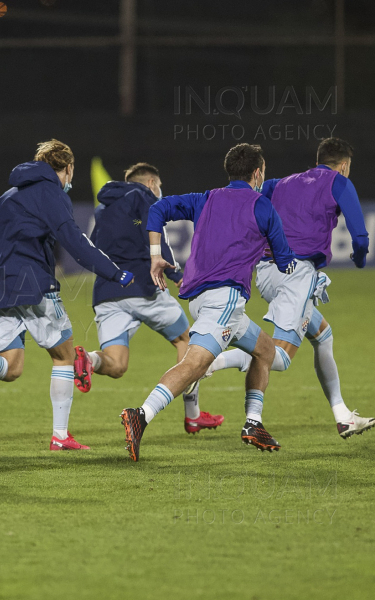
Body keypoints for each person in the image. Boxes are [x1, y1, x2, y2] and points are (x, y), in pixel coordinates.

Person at [0, 140, 134, 451]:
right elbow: (75, 242)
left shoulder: (8, 196)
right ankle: (60, 436)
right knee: (64, 356)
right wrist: (115, 272)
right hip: (34, 285)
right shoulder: (52, 194)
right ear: (68, 168)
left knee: (11, 368)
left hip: (1, 287)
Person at [120, 143, 297, 462]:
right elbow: (285, 261)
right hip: (225, 300)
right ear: (257, 173)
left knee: (266, 352)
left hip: (200, 298)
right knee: (194, 365)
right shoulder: (262, 206)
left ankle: (253, 423)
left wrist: (156, 257)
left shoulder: (205, 198)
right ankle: (141, 415)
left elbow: (157, 210)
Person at [203, 138, 375, 438]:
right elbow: (359, 237)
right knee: (279, 357)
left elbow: (249, 206)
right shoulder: (340, 183)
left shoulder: (278, 183)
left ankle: (342, 414)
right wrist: (359, 260)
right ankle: (210, 362)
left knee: (323, 335)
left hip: (268, 271)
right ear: (344, 165)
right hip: (297, 275)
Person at [73, 163, 224, 434]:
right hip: (144, 286)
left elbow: (94, 248)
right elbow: (154, 232)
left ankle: (90, 360)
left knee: (116, 364)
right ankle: (193, 415)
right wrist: (176, 274)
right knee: (187, 341)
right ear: (152, 182)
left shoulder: (102, 208)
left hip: (108, 293)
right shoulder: (143, 196)